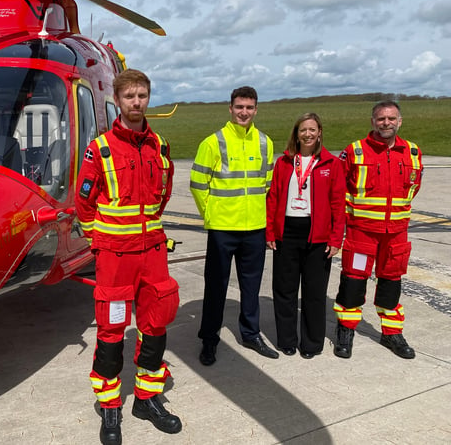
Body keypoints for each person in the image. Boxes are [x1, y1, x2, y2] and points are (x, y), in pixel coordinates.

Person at [76, 69, 181, 445]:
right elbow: (84, 203)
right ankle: (110, 407)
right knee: (111, 329)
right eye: (129, 97)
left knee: (155, 324)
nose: (136, 103)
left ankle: (147, 400)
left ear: (148, 98)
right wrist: (99, 243)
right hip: (115, 257)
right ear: (118, 101)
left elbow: (162, 196)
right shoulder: (100, 148)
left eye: (142, 96)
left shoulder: (161, 146)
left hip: (152, 252)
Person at [190, 86, 278, 365]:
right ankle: (209, 339)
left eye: (249, 107)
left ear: (256, 110)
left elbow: (267, 183)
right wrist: (211, 216)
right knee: (215, 285)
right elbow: (197, 184)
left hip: (254, 227)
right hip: (222, 229)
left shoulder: (265, 142)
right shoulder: (213, 142)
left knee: (251, 286)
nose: (244, 112)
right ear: (230, 108)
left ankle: (251, 334)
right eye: (239, 107)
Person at [333, 100, 423, 359]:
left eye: (391, 118)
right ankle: (346, 330)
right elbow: (339, 189)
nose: (386, 123)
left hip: (395, 234)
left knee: (391, 283)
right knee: (353, 282)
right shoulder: (355, 150)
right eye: (381, 118)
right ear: (372, 122)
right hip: (362, 232)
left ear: (400, 121)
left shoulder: (413, 153)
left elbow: (413, 188)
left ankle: (392, 333)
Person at [266, 113, 346, 359]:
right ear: (296, 133)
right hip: (287, 233)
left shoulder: (331, 164)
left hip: (318, 236)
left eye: (312, 130)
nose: (308, 134)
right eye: (303, 130)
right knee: (285, 290)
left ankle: (311, 343)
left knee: (314, 293)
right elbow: (273, 198)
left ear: (319, 132)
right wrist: (270, 230)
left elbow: (338, 204)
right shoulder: (285, 162)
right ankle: (287, 340)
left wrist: (335, 239)